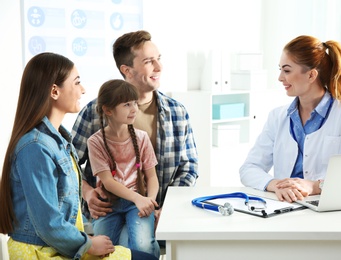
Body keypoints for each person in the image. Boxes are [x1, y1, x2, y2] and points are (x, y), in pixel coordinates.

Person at [0, 52, 157, 260]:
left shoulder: (60, 141)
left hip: (61, 246)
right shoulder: (36, 147)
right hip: (41, 252)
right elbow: (48, 223)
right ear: (54, 91)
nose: (82, 90)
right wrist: (88, 243)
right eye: (77, 82)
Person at [71, 30, 198, 245]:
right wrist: (87, 193)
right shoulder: (95, 112)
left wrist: (165, 209)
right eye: (149, 61)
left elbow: (189, 169)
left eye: (159, 59)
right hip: (108, 213)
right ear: (126, 70)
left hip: (156, 215)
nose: (159, 67)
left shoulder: (177, 112)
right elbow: (67, 165)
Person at [240, 35, 341, 203]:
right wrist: (275, 184)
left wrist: (315, 186)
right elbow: (249, 169)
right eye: (280, 69)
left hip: (327, 208)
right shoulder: (277, 116)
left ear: (311, 75)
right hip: (283, 208)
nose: (280, 77)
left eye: (287, 70)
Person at [87, 79, 160, 258]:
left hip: (137, 204)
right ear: (108, 110)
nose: (134, 109)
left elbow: (152, 177)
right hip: (108, 205)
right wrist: (138, 199)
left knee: (142, 247)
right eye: (127, 104)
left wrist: (149, 202)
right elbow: (108, 182)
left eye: (135, 103)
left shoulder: (142, 138)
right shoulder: (95, 142)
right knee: (103, 251)